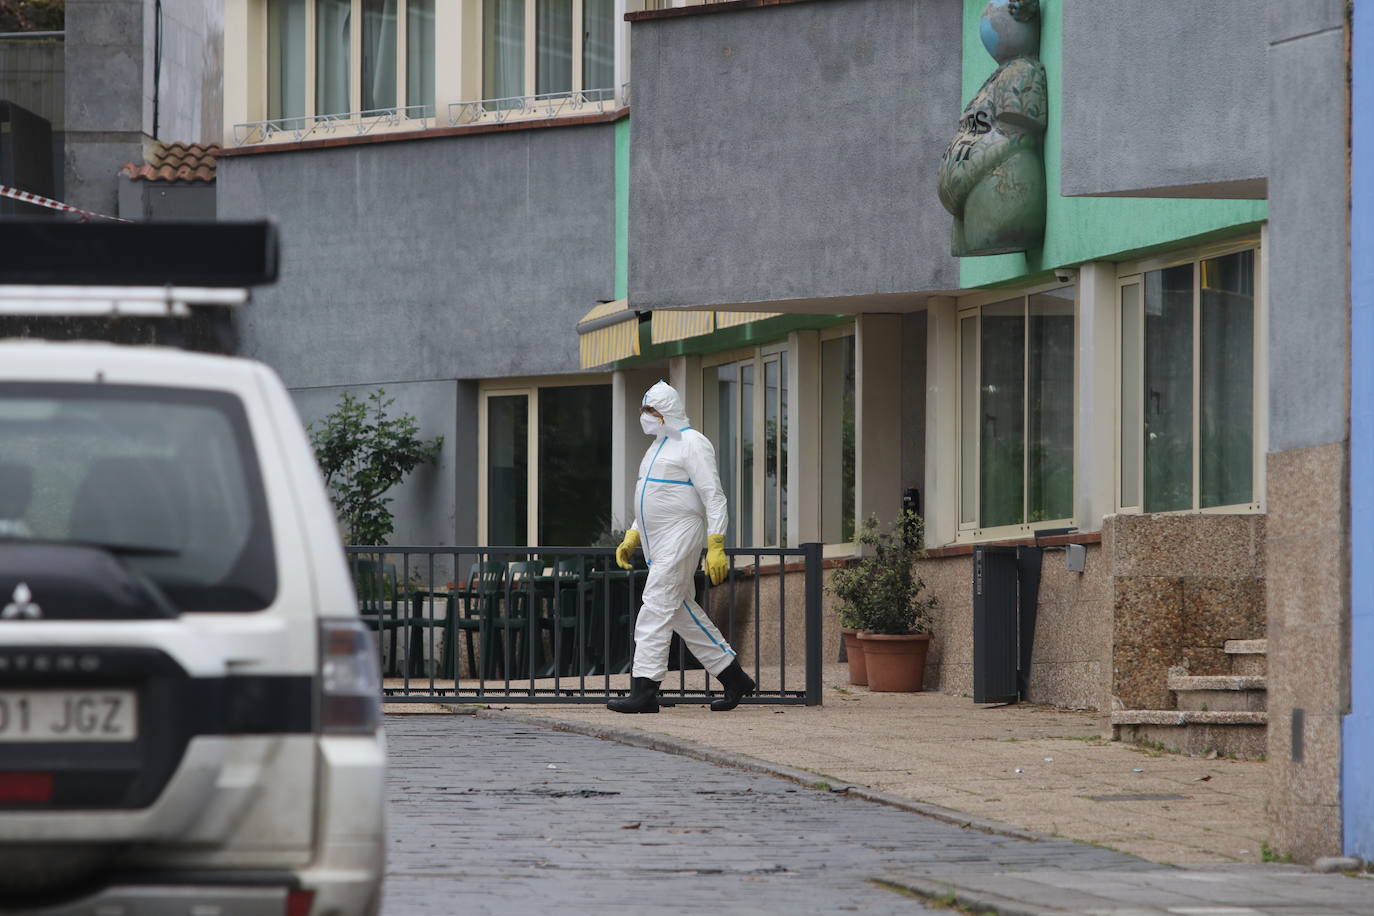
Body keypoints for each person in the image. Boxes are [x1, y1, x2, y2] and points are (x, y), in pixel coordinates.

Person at [608, 381, 755, 714]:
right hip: (658, 542)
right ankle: (734, 677)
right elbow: (649, 497)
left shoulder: (692, 443)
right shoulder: (658, 446)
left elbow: (713, 496)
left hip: (681, 536)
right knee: (680, 611)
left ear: (666, 412)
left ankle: (644, 689)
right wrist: (632, 535)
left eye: (651, 411)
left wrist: (716, 542)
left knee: (656, 605)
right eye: (644, 410)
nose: (645, 417)